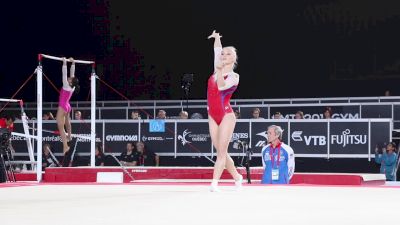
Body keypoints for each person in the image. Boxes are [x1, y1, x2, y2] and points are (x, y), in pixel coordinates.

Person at [207, 30, 242, 191]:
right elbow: (216, 50)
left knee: (221, 153)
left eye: (227, 54)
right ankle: (237, 176)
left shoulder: (234, 76)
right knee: (222, 151)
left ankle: (214, 183)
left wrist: (220, 71)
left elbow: (221, 87)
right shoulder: (217, 69)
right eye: (223, 53)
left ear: (233, 58)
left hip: (226, 115)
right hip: (212, 115)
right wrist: (217, 38)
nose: (223, 55)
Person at [56, 57, 80, 154]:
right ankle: (69, 136)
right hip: (67, 106)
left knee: (61, 127)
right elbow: (72, 73)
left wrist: (65, 63)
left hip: (62, 106)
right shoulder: (72, 86)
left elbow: (64, 74)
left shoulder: (66, 85)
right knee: (67, 123)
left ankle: (65, 146)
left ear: (70, 82)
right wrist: (73, 63)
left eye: (70, 79)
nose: (69, 77)